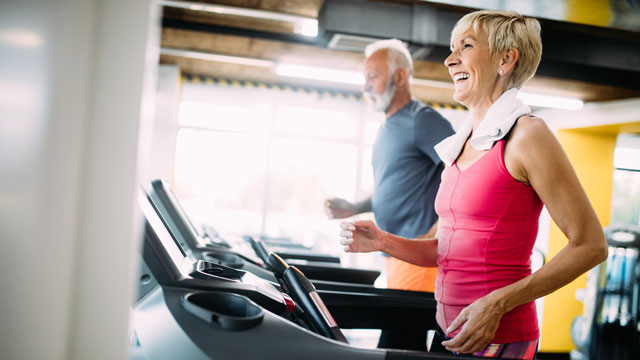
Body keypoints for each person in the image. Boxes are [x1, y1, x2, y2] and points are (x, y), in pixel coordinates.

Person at [338, 10, 608, 359]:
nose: (450, 61)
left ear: (506, 59)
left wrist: (498, 303)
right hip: (448, 330)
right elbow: (447, 251)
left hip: (498, 336)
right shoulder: (463, 142)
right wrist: (384, 241)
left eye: (465, 46)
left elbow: (590, 245)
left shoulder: (527, 135)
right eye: (453, 49)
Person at [325, 39, 455, 350]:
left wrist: (439, 229)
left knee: (398, 339)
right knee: (400, 339)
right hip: (394, 253)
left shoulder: (421, 119)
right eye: (364, 79)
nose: (365, 86)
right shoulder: (387, 127)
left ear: (399, 76)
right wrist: (356, 206)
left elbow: (463, 169)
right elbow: (394, 183)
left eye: (372, 76)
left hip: (418, 253)